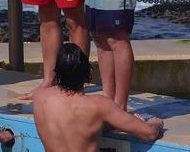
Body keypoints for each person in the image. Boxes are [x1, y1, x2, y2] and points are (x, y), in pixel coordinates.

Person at [33, 43, 164, 151]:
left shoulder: (40, 97)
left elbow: (70, 124)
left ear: (57, 72)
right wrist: (155, 123)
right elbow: (149, 133)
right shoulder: (98, 105)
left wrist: (113, 123)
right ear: (87, 73)